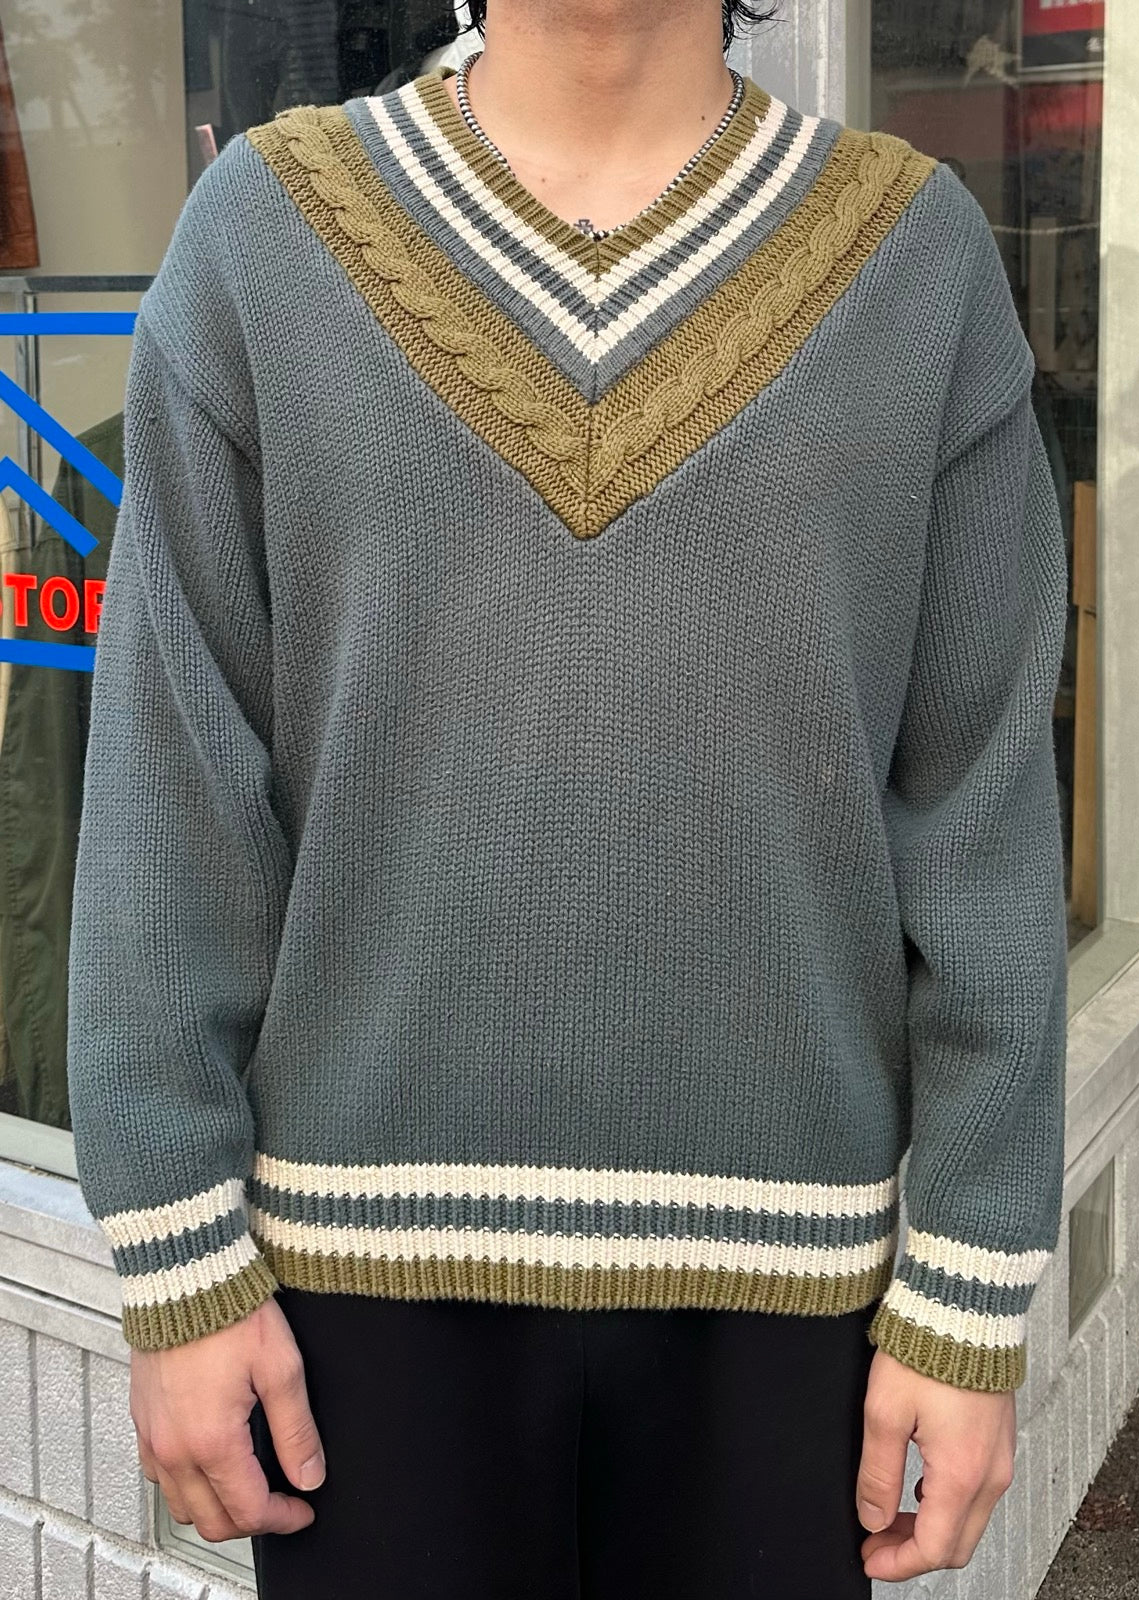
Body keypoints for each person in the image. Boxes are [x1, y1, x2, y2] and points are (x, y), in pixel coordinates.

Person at [64, 0, 1070, 1595]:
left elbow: (982, 804)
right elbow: (171, 790)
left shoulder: (915, 259)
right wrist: (177, 1261)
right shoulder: (265, 235)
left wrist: (970, 1286)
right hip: (356, 1299)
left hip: (800, 1299)